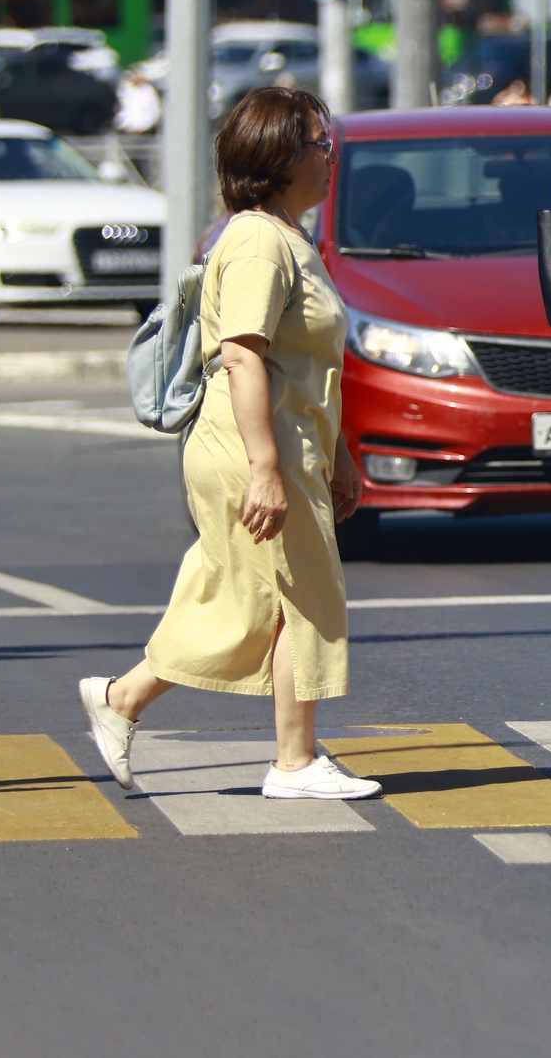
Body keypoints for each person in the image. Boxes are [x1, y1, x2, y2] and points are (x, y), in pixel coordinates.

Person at [77, 87, 381, 802]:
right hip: (251, 445)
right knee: (291, 597)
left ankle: (132, 702)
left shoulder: (285, 235)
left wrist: (339, 458)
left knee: (259, 599)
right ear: (277, 159)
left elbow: (303, 369)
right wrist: (267, 468)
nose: (330, 157)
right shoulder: (253, 240)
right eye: (318, 144)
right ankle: (291, 760)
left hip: (283, 441)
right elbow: (243, 355)